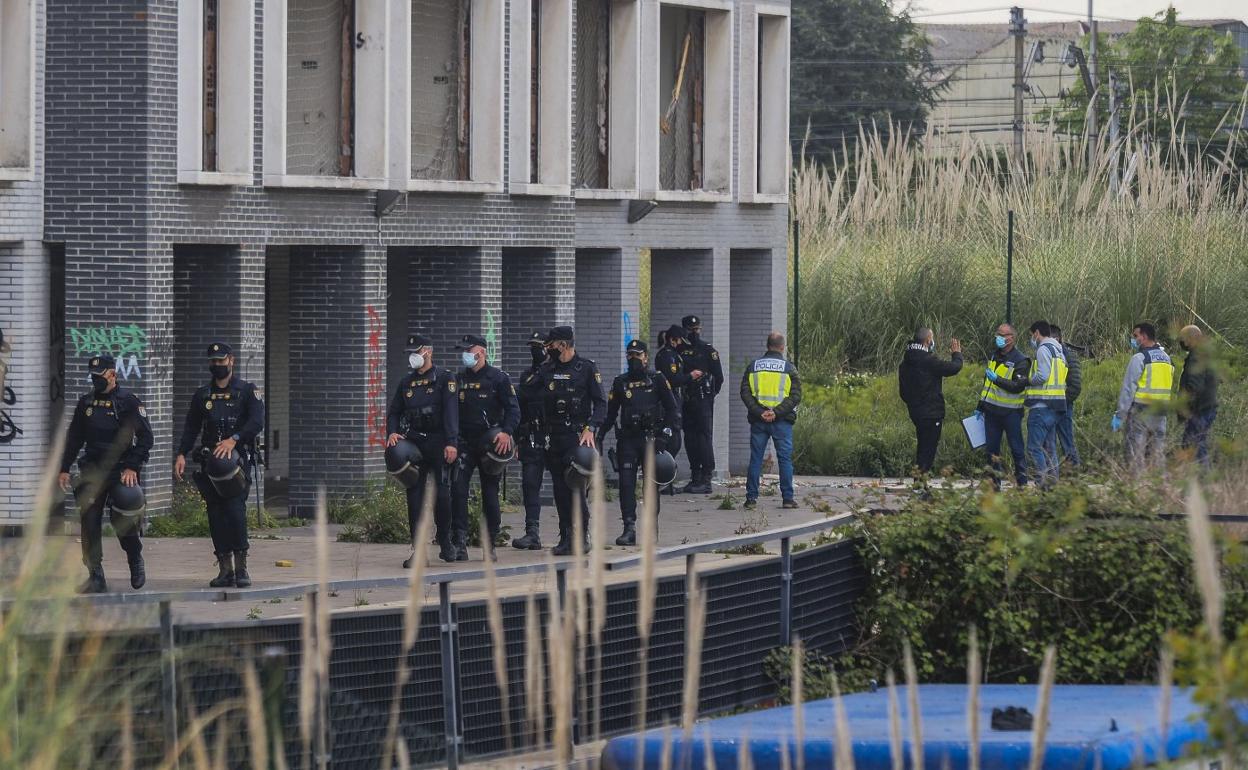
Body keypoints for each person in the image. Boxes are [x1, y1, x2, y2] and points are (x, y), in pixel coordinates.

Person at [58, 354, 154, 593]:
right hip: (92, 470)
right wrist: (64, 467)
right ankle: (95, 574)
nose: (96, 380)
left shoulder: (128, 402)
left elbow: (146, 438)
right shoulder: (86, 403)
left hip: (120, 471)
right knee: (89, 522)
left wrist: (132, 466)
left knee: (123, 521)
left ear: (112, 374)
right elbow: (74, 438)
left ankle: (135, 559)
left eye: (100, 376)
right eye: (93, 377)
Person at [174, 342, 266, 588]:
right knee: (216, 514)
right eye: (213, 361)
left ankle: (241, 568)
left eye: (221, 360)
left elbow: (257, 422)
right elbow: (191, 426)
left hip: (236, 462)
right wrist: (181, 453)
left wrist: (233, 439)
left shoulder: (247, 391)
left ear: (231, 360)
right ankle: (225, 569)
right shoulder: (203, 394)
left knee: (235, 511)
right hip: (210, 464)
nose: (217, 365)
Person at [386, 334, 459, 565]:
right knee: (415, 497)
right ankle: (418, 550)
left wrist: (451, 443)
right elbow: (394, 411)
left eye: (416, 352)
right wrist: (392, 432)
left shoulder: (444, 379)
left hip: (439, 443)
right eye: (410, 353)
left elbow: (451, 413)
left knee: (443, 496)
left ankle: (445, 541)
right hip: (415, 443)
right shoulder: (406, 382)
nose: (413, 357)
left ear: (428, 351)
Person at [598, 339, 679, 545]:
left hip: (651, 439)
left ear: (645, 357)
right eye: (630, 354)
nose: (634, 358)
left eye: (638, 354)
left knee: (650, 486)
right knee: (626, 484)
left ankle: (651, 528)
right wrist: (598, 435)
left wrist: (665, 435)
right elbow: (611, 413)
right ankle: (629, 527)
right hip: (628, 440)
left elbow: (672, 409)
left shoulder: (657, 379)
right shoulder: (620, 382)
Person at [538, 325, 607, 555]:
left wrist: (591, 428)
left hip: (576, 437)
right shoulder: (547, 369)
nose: (548, 349)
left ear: (563, 345)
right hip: (554, 437)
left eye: (551, 345)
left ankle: (582, 536)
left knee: (575, 488)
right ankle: (566, 536)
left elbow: (601, 404)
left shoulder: (585, 368)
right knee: (559, 490)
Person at [453, 334, 520, 561]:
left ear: (480, 353)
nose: (464, 356)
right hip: (464, 442)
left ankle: (489, 543)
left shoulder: (498, 378)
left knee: (490, 493)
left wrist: (506, 432)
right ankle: (459, 542)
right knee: (458, 490)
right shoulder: (458, 379)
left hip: (490, 443)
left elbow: (513, 410)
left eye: (467, 351)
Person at [740, 332, 802, 510]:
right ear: (782, 347)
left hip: (759, 421)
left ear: (767, 346)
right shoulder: (789, 368)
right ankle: (788, 499)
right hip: (781, 421)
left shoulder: (753, 367)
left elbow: (745, 393)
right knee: (784, 459)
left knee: (756, 459)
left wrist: (760, 412)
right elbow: (795, 395)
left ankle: (751, 499)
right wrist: (776, 413)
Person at [897, 327, 963, 474]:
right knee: (928, 452)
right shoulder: (928, 361)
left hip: (916, 412)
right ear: (928, 341)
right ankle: (921, 486)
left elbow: (903, 391)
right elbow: (954, 368)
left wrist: (913, 403)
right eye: (932, 338)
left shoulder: (906, 362)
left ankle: (919, 485)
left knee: (922, 448)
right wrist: (957, 354)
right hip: (932, 413)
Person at [1112, 322, 1173, 469]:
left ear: (1144, 336)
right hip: (1161, 413)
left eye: (1135, 336)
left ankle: (1137, 487)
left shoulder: (1140, 358)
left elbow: (1128, 389)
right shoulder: (1167, 358)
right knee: (1157, 454)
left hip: (1141, 413)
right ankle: (1160, 487)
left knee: (1135, 455)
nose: (1133, 339)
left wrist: (1120, 415)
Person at [976, 324, 1030, 488]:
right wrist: (980, 405)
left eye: (1002, 334)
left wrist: (997, 380)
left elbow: (1017, 387)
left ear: (1011, 338)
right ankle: (994, 486)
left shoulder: (1021, 360)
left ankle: (1022, 485)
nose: (998, 337)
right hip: (991, 412)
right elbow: (987, 385)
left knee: (1017, 450)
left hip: (1011, 413)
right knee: (991, 452)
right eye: (997, 334)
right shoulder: (995, 356)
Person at [676, 315, 723, 494]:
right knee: (690, 438)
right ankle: (695, 476)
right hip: (687, 400)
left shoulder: (707, 350)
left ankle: (706, 478)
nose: (694, 333)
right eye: (691, 330)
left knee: (704, 438)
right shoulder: (680, 350)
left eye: (697, 330)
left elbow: (719, 377)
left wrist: (710, 395)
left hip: (703, 400)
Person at [512, 331, 549, 550]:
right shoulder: (527, 375)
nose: (535, 351)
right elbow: (520, 409)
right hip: (531, 436)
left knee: (567, 485)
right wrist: (517, 438)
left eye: (539, 346)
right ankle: (532, 532)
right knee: (529, 484)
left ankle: (573, 532)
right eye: (532, 347)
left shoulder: (556, 373)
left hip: (554, 435)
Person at [1022, 321, 1068, 488]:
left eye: (1031, 335)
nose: (1032, 338)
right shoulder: (1059, 350)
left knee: (1034, 448)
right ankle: (1052, 486)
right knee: (1050, 449)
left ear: (1037, 333)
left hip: (1041, 406)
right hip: (1055, 406)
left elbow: (1042, 376)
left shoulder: (1043, 349)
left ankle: (1042, 485)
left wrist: (1027, 380)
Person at [1178, 324, 1218, 469]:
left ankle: (1204, 479)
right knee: (1191, 443)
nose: (1181, 342)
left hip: (1199, 410)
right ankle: (1193, 478)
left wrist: (1187, 408)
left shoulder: (1196, 356)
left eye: (1182, 339)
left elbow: (1194, 386)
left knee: (1195, 443)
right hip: (1207, 407)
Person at [1044, 325, 1082, 469]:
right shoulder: (1047, 354)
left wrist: (1062, 401)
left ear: (1056, 338)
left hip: (1063, 406)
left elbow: (1075, 385)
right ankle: (1052, 476)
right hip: (1048, 405)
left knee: (1067, 441)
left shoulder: (1068, 355)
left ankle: (1073, 475)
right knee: (1049, 443)